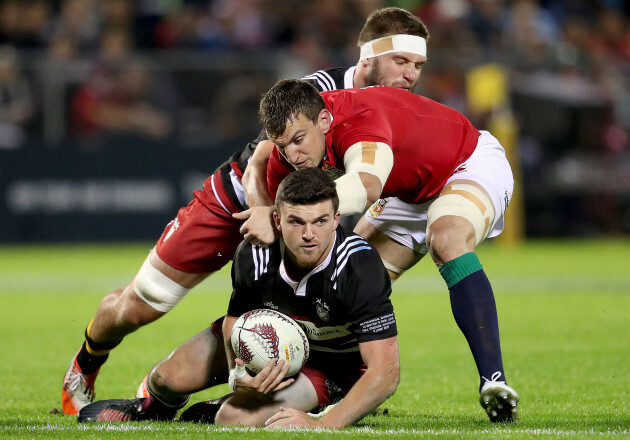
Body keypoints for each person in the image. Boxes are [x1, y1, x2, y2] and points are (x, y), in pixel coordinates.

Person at [61, 6, 428, 417]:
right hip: (239, 202)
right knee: (140, 304)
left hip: (292, 223)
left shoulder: (390, 113)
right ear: (369, 58)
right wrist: (264, 217)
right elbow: (258, 163)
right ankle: (86, 364)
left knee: (326, 306)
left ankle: (335, 387)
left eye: (417, 65)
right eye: (401, 62)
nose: (410, 75)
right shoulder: (317, 91)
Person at [256, 79, 519, 423]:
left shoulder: (356, 118)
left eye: (299, 140)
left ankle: (493, 383)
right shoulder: (287, 158)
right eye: (281, 145)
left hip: (467, 162)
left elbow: (367, 184)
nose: (292, 154)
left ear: (323, 121)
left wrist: (286, 212)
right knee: (345, 277)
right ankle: (350, 389)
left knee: (446, 237)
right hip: (407, 192)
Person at [77, 168, 400, 429]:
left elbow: (385, 371)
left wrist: (324, 425)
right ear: (277, 220)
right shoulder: (255, 253)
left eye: (320, 222)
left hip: (332, 367)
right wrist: (237, 375)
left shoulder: (359, 267)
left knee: (235, 419)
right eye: (296, 222)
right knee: (164, 379)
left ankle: (322, 401)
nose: (308, 235)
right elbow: (236, 320)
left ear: (335, 218)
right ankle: (152, 407)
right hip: (266, 339)